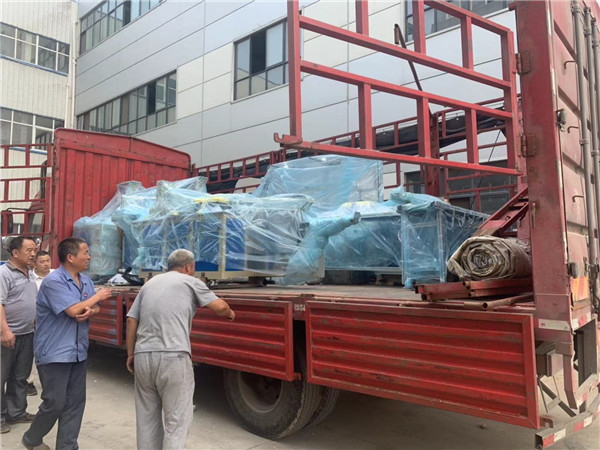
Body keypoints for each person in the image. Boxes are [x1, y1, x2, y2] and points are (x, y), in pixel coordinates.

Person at [126, 249, 235, 450]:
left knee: (147, 419)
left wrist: (131, 354)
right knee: (176, 421)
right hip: (173, 357)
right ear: (188, 267)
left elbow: (132, 319)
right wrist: (230, 314)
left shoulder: (149, 284)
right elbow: (220, 307)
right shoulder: (190, 281)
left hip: (143, 356)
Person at [22, 238, 112, 450]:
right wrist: (97, 297)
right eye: (85, 252)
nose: (89, 256)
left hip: (78, 351)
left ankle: (67, 446)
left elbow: (92, 307)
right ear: (71, 257)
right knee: (55, 402)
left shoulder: (86, 281)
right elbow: (72, 310)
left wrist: (91, 310)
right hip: (54, 351)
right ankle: (32, 438)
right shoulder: (53, 282)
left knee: (75, 402)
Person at [0, 236, 38, 435]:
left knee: (20, 376)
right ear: (15, 253)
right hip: (6, 335)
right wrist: (5, 330)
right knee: (1, 377)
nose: (33, 254)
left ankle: (16, 412)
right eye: (29, 250)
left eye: (35, 250)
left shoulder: (30, 273)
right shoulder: (4, 274)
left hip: (26, 333)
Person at [26, 250, 55, 397]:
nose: (46, 264)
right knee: (33, 351)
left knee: (51, 351)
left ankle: (50, 381)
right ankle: (29, 381)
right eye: (42, 261)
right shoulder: (30, 279)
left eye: (48, 260)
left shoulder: (57, 275)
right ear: (35, 264)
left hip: (54, 321)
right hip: (36, 320)